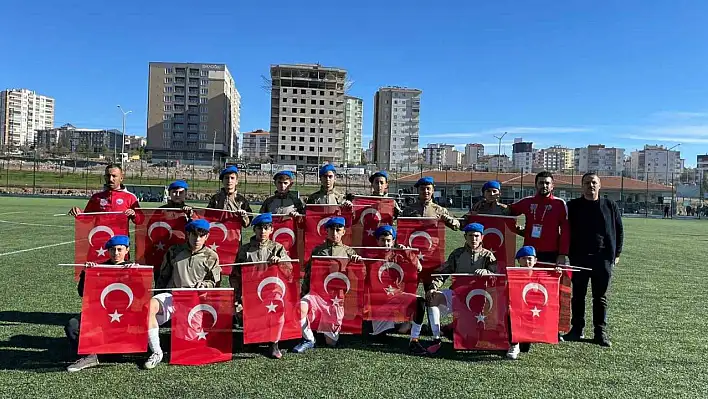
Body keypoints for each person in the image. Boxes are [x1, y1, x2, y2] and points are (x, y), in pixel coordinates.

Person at [145, 219, 221, 369]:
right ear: (188, 234)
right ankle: (157, 353)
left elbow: (215, 282)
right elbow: (163, 276)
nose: (197, 239)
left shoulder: (212, 256)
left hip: (194, 302)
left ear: (207, 236)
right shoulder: (174, 251)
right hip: (172, 296)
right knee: (149, 307)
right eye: (194, 235)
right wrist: (159, 295)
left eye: (201, 235)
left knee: (190, 345)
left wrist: (205, 285)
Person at [564, 172, 623, 347]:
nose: (591, 186)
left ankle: (600, 332)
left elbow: (619, 230)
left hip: (603, 259)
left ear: (599, 185)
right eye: (587, 183)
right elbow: (565, 229)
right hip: (579, 258)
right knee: (578, 296)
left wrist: (616, 253)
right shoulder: (573, 206)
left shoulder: (610, 205)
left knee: (600, 298)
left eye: (594, 183)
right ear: (581, 186)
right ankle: (577, 330)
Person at [424, 223, 497, 355]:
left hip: (478, 301)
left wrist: (488, 272)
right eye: (470, 236)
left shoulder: (488, 256)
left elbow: (496, 280)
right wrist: (433, 287)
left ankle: (452, 329)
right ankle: (436, 338)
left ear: (482, 238)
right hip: (457, 294)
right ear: (465, 237)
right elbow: (443, 272)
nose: (473, 239)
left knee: (470, 339)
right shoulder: (457, 254)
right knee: (433, 298)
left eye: (476, 236)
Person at [292, 217, 362, 353]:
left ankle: (327, 328)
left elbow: (358, 279)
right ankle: (309, 339)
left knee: (331, 342)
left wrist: (357, 264)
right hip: (317, 295)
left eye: (338, 230)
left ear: (343, 232)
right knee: (300, 307)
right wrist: (304, 293)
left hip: (336, 299)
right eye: (331, 230)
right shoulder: (318, 251)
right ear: (326, 231)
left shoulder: (349, 252)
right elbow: (308, 275)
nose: (335, 233)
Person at [65, 235, 133, 372]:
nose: (116, 253)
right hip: (100, 310)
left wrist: (136, 273)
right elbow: (82, 292)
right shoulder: (100, 267)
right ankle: (89, 355)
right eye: (112, 250)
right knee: (72, 325)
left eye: (120, 249)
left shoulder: (134, 267)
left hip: (124, 313)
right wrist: (87, 274)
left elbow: (142, 294)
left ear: (127, 250)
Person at [229, 213, 291, 359]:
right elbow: (235, 275)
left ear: (271, 230)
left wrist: (280, 262)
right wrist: (236, 297)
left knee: (275, 307)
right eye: (259, 228)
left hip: (272, 293)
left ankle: (274, 343)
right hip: (250, 294)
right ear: (254, 230)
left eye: (266, 228)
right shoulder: (245, 250)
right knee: (241, 312)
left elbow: (290, 272)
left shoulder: (278, 248)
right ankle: (255, 338)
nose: (262, 231)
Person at [367, 225, 428, 355]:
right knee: (379, 337)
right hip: (378, 302)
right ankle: (405, 326)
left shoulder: (399, 255)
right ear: (377, 241)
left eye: (389, 240)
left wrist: (407, 252)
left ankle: (414, 340)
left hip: (396, 297)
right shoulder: (370, 257)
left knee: (420, 302)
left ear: (394, 240)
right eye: (382, 240)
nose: (386, 243)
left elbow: (419, 268)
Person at [509, 171, 570, 265]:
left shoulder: (559, 204)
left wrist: (562, 254)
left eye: (547, 183)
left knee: (547, 279)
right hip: (529, 252)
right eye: (541, 183)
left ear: (552, 186)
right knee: (528, 279)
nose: (544, 186)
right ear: (536, 185)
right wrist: (516, 229)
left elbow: (565, 231)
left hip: (551, 251)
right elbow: (507, 212)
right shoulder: (527, 202)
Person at [68, 163, 140, 221]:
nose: (110, 179)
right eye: (108, 176)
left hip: (120, 238)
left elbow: (140, 220)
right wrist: (78, 212)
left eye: (114, 176)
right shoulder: (96, 197)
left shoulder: (130, 197)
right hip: (99, 237)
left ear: (121, 178)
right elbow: (87, 219)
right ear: (105, 177)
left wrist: (134, 215)